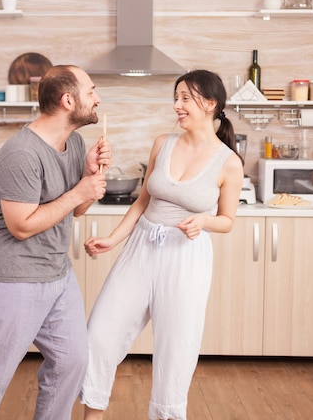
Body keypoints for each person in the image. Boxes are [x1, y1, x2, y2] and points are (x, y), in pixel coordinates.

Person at [0, 65, 112, 420]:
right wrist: (80, 191)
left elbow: (77, 210)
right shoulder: (20, 153)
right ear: (69, 100)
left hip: (57, 274)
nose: (97, 98)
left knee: (72, 362)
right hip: (13, 278)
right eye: (91, 91)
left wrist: (90, 178)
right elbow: (21, 226)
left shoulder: (75, 143)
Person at [79, 69, 244, 420]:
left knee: (175, 352)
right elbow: (142, 202)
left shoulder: (229, 163)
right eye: (176, 97)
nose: (177, 106)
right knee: (99, 336)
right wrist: (112, 238)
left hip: (186, 258)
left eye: (186, 98)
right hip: (141, 249)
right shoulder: (162, 143)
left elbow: (227, 220)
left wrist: (204, 221)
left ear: (210, 103)